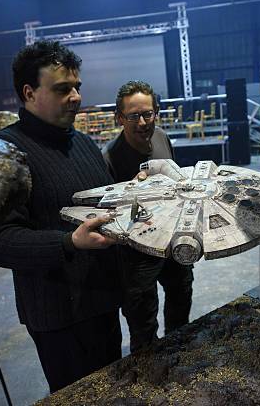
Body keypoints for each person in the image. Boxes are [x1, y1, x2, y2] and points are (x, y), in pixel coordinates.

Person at [0, 40, 122, 393]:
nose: (75, 96)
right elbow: (0, 242)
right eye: (62, 89)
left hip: (102, 300)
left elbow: (105, 202)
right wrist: (69, 241)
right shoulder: (5, 154)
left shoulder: (83, 143)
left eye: (77, 87)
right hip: (58, 315)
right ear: (29, 93)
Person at [103, 80, 194, 353]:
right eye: (133, 116)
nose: (142, 122)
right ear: (119, 118)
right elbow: (109, 215)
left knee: (181, 297)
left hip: (171, 240)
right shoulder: (109, 157)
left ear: (156, 112)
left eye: (148, 114)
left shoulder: (162, 137)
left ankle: (179, 354)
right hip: (137, 255)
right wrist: (131, 193)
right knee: (143, 323)